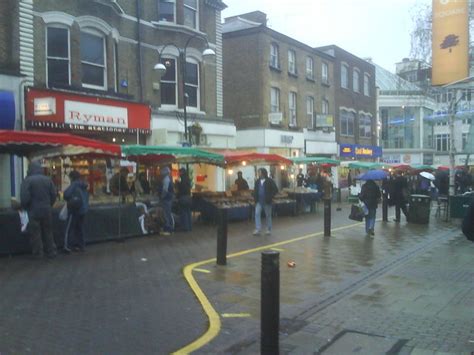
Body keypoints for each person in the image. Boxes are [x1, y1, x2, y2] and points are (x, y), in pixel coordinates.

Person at [20, 161, 57, 259]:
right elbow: (54, 194)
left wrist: (25, 206)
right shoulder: (48, 180)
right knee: (48, 231)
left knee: (35, 233)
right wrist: (49, 204)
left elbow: (24, 198)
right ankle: (51, 251)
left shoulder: (27, 181)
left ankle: (38, 253)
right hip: (46, 209)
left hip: (33, 210)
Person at [63, 171, 89, 253]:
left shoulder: (74, 184)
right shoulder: (84, 185)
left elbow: (66, 194)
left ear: (71, 177)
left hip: (75, 209)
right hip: (83, 210)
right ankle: (81, 246)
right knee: (80, 228)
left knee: (70, 228)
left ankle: (68, 246)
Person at [253, 168, 278, 236]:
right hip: (259, 201)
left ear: (263, 173)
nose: (258, 174)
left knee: (268, 215)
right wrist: (255, 197)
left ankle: (268, 229)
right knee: (257, 214)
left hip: (267, 201)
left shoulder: (270, 181)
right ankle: (258, 229)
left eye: (259, 173)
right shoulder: (257, 181)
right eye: (258, 173)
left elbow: (275, 190)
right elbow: (255, 190)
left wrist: (270, 196)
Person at [157, 166, 174, 235]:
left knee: (166, 214)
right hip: (169, 198)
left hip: (166, 199)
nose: (161, 174)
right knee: (168, 213)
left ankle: (168, 230)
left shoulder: (166, 179)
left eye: (162, 172)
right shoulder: (168, 179)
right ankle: (170, 229)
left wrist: (161, 197)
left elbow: (165, 190)